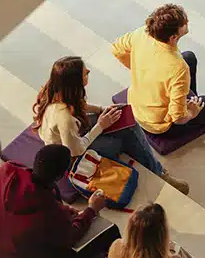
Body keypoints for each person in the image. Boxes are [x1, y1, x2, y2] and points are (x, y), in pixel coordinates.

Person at [33, 56, 189, 194]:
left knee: (123, 118)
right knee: (120, 140)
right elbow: (75, 151)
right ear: (75, 82)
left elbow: (79, 104)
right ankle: (159, 172)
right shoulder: (64, 117)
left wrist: (101, 110)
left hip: (71, 134)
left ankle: (154, 166)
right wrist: (101, 125)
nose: (88, 71)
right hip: (71, 156)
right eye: (84, 72)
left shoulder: (57, 91)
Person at [110, 3, 205, 137]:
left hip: (136, 105)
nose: (187, 22)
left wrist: (141, 70)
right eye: (184, 23)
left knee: (189, 57)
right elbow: (178, 118)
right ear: (173, 37)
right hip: (159, 124)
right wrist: (192, 113)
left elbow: (116, 49)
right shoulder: (178, 68)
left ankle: (187, 97)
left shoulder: (142, 33)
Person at [0, 145, 108, 258]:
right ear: (59, 176)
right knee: (97, 236)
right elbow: (71, 236)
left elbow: (32, 198)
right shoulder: (49, 214)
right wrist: (91, 209)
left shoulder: (6, 171)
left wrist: (63, 210)